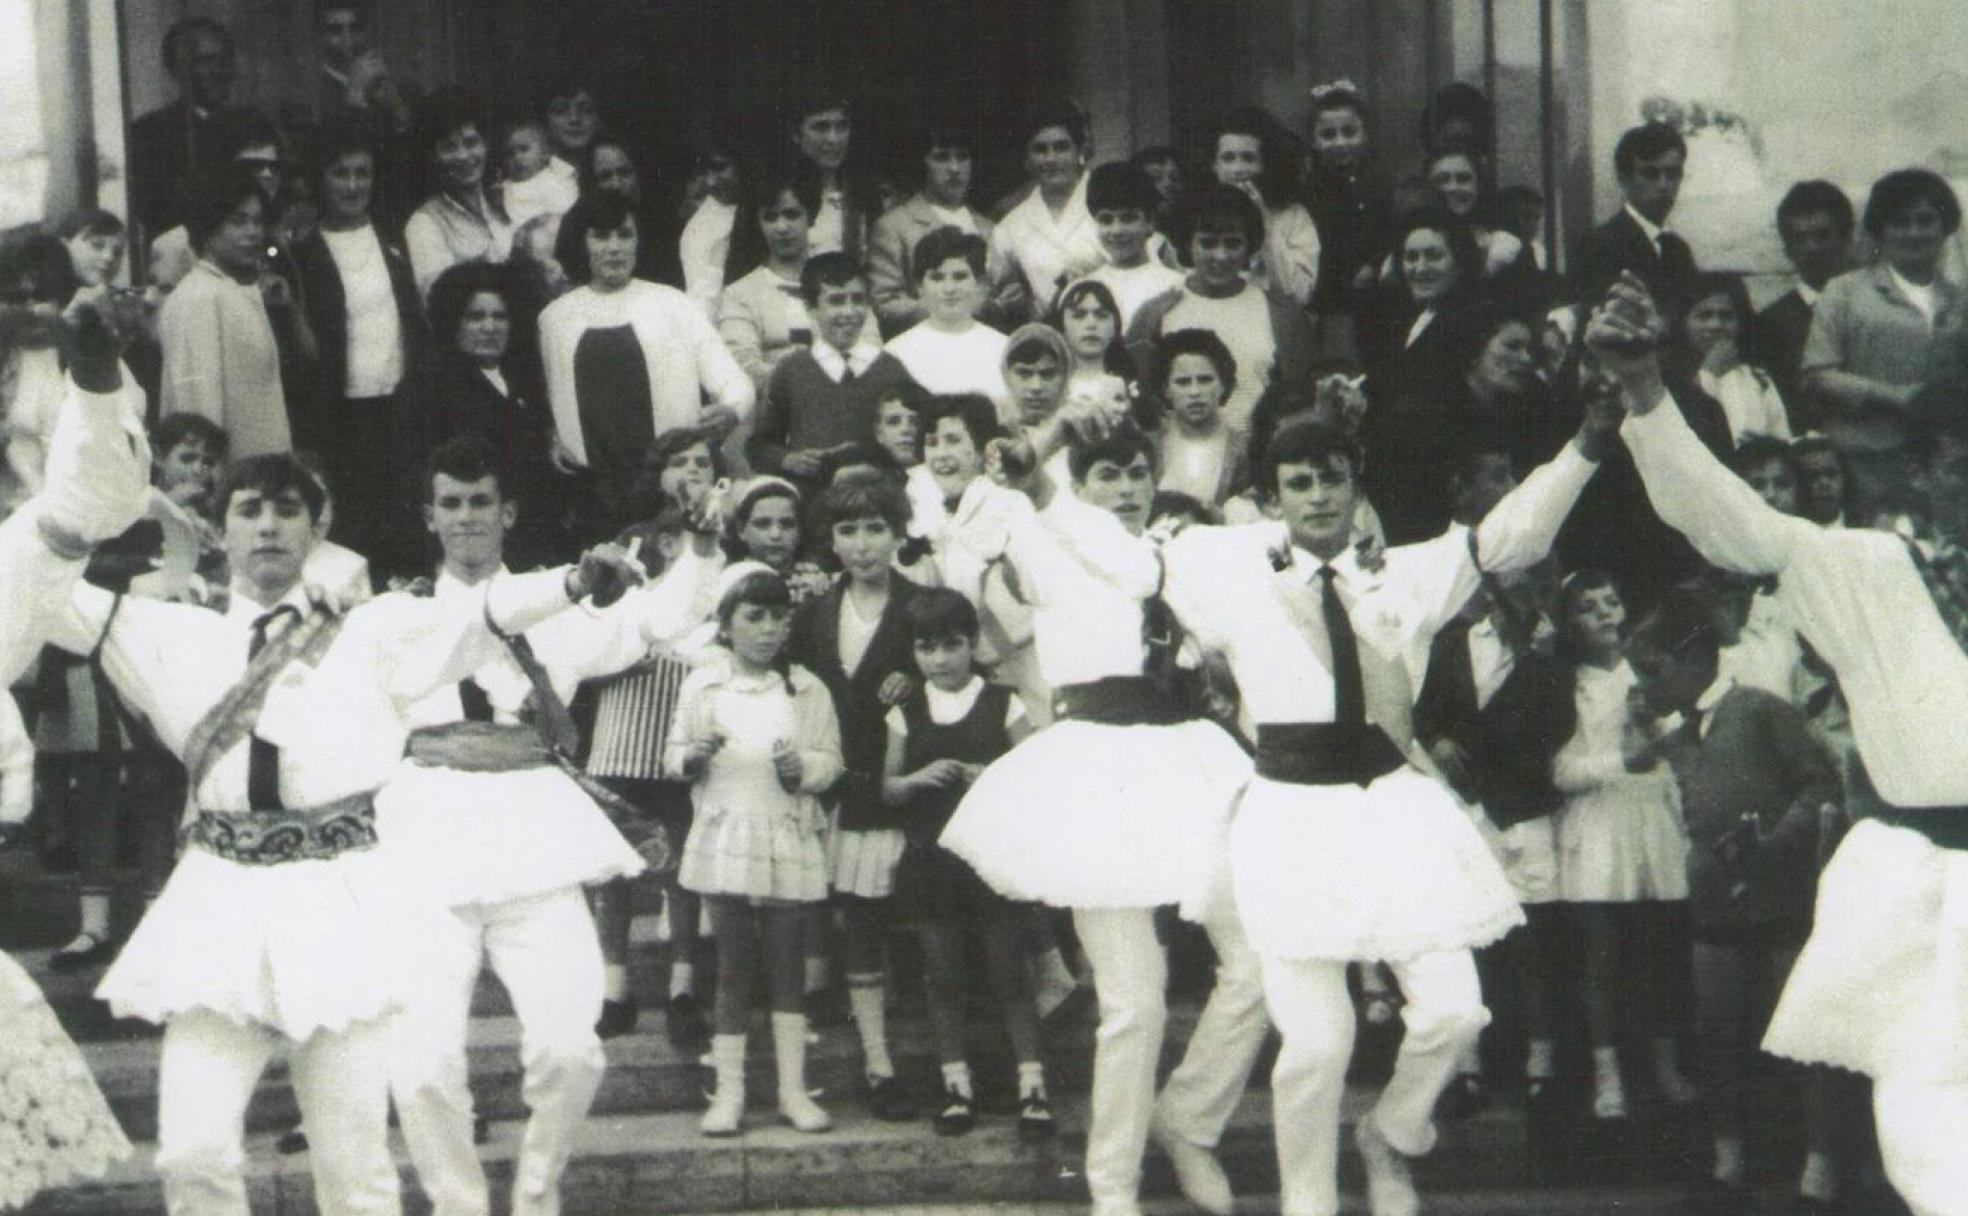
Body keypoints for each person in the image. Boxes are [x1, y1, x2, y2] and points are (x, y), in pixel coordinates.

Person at [33, 414, 637, 1215]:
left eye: (288, 510)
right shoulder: (164, 631)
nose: (269, 526)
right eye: (249, 510)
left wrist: (570, 583)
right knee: (192, 1150)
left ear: (318, 527)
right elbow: (40, 583)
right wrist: (74, 495)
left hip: (341, 902)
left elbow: (483, 615)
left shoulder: (373, 629)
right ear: (221, 530)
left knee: (356, 1173)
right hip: (221, 900)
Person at [1154, 387, 1614, 1216]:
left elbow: (1513, 533)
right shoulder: (1237, 576)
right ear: (1274, 495)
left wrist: (1586, 440)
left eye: (1333, 479)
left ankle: (1391, 1136)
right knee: (1319, 1043)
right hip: (1291, 819)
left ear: (1357, 484)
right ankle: (1309, 1204)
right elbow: (1154, 552)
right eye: (1299, 482)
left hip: (1394, 814)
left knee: (1455, 1010)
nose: (1319, 497)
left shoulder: (1407, 572)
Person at [1590, 272, 1968, 1216]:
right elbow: (1730, 519)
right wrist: (1645, 387)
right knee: (1926, 1122)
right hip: (1928, 883)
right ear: (1930, 467)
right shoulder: (1874, 566)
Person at [933, 412, 1263, 1216]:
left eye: (1135, 474)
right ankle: (1113, 1184)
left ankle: (1186, 1120)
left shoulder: (1172, 557)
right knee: (1136, 998)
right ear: (1078, 487)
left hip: (1188, 764)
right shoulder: (1047, 537)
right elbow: (963, 549)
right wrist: (1040, 455)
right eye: (1105, 475)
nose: (1124, 489)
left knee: (1259, 960)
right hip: (1095, 775)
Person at [382, 436, 717, 1216]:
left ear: (509, 512)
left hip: (532, 843)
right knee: (423, 1065)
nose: (467, 518)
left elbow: (659, 618)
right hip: (425, 848)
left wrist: (700, 545)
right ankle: (459, 1205)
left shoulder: (559, 603)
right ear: (429, 517)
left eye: (480, 502)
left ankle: (538, 1193)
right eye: (451, 504)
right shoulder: (397, 613)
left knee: (571, 1048)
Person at [1626, 587, 1842, 1214]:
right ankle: (1728, 1165)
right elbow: (1703, 796)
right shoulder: (1688, 730)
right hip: (1717, 908)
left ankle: (1819, 1174)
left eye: (1654, 670)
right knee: (1719, 1031)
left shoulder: (1761, 709)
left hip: (1780, 902)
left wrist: (1774, 845)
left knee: (1802, 1033)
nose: (1645, 685)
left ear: (1696, 660)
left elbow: (1820, 783)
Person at [670, 562, 843, 1137]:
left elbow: (829, 758)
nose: (768, 629)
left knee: (787, 966)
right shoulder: (703, 686)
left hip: (786, 834)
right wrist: (695, 754)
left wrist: (805, 770)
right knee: (734, 969)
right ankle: (730, 1093)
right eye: (754, 616)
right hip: (727, 836)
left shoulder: (807, 688)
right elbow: (675, 757)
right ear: (727, 624)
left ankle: (794, 1091)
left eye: (778, 616)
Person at [883, 586, 1050, 1137]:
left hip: (992, 860)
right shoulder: (906, 711)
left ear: (971, 643)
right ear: (914, 651)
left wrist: (989, 777)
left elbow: (1034, 776)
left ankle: (1032, 1087)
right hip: (935, 863)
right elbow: (889, 789)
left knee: (1010, 973)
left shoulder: (1004, 700)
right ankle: (956, 1087)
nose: (940, 659)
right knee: (945, 976)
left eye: (951, 645)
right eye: (927, 648)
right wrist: (916, 780)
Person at [586, 427, 728, 1041]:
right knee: (615, 867)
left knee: (680, 865)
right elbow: (594, 635)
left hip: (679, 725)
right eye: (679, 464)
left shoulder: (715, 548)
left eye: (702, 464)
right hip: (621, 726)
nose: (689, 475)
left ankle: (683, 986)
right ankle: (613, 988)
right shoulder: (625, 548)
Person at [788, 479, 923, 1122]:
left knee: (929, 920)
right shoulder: (813, 613)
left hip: (903, 789)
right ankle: (879, 1061)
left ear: (898, 533)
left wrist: (917, 681)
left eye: (875, 529)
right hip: (838, 792)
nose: (862, 545)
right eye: (847, 532)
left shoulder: (926, 605)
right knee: (860, 924)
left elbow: (964, 677)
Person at [1547, 568, 1697, 1120]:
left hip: (1653, 820)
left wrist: (1660, 732)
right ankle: (1607, 1077)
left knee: (1660, 957)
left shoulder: (1651, 674)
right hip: (1597, 824)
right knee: (1600, 961)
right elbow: (1560, 771)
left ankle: (1664, 1067)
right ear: (1569, 622)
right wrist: (1622, 762)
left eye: (1611, 600)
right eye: (1589, 607)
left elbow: (1683, 749)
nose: (1606, 612)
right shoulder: (1566, 684)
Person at [540, 192, 752, 523]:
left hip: (669, 486)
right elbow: (544, 396)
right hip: (590, 491)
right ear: (581, 242)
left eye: (625, 235)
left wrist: (731, 409)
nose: (614, 247)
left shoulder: (672, 303)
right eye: (601, 236)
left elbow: (732, 380)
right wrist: (550, 434)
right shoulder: (554, 319)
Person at [292, 123, 429, 573]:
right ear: (320, 179)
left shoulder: (393, 238)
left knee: (405, 522)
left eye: (362, 173)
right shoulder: (303, 252)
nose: (353, 185)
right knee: (354, 525)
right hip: (342, 416)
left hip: (400, 406)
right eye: (340, 173)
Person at [1801, 168, 1961, 518]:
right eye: (1900, 222)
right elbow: (1817, 374)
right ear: (1880, 230)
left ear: (1945, 227)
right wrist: (1893, 396)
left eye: (1925, 220)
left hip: (1946, 467)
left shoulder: (1959, 299)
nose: (1914, 232)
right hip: (1867, 463)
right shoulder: (1844, 292)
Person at [1127, 183, 1318, 434]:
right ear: (1187, 244)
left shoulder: (1280, 313)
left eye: (1232, 243)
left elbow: (1298, 407)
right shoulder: (1157, 313)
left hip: (1254, 460)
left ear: (1249, 245)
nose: (1221, 256)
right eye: (1208, 243)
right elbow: (1143, 408)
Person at [747, 253, 919, 493]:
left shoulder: (890, 369)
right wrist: (787, 460)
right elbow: (759, 447)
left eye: (858, 300)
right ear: (811, 308)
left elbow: (916, 440)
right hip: (813, 503)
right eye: (836, 301)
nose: (849, 312)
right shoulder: (791, 370)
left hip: (877, 501)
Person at [158, 168, 295, 459]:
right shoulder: (199, 297)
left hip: (259, 469)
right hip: (228, 478)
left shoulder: (231, 290)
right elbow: (197, 402)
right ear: (209, 228)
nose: (252, 232)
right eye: (238, 221)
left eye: (258, 221)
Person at [718, 159, 856, 395]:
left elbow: (869, 344)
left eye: (791, 214)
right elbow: (742, 363)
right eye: (770, 217)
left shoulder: (843, 277)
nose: (781, 227)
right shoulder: (739, 294)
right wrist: (807, 385)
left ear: (810, 216)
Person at [869, 119, 1002, 336]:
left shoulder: (989, 226)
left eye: (962, 157)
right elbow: (885, 301)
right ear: (922, 163)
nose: (954, 168)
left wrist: (992, 307)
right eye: (941, 157)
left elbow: (1011, 293)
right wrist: (951, 310)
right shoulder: (894, 226)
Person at [129, 17, 245, 242]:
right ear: (176, 70)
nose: (220, 71)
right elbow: (155, 215)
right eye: (205, 61)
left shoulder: (254, 125)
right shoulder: (149, 134)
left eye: (226, 60)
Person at [990, 99, 1104, 317]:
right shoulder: (1012, 225)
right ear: (1027, 159)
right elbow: (1004, 293)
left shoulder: (1110, 201)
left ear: (1079, 150)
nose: (1051, 158)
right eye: (1040, 149)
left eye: (1061, 147)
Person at [1572, 122, 1699, 316]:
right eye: (1650, 174)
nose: (1664, 185)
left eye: (1673, 174)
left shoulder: (1678, 248)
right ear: (1624, 178)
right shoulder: (1599, 245)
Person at [885, 227, 1011, 417]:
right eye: (937, 278)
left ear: (979, 282)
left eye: (960, 277)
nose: (949, 288)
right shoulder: (896, 353)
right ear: (919, 286)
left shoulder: (1005, 349)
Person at [1753, 181, 1855, 414]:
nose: (1811, 248)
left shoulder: (1875, 304)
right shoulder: (1769, 324)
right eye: (1800, 238)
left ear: (1847, 239)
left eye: (1822, 236)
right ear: (1787, 249)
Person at [404, 89, 514, 300]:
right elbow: (436, 304)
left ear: (486, 145)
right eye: (449, 147)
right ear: (433, 157)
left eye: (471, 142)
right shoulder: (424, 224)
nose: (463, 156)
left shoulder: (504, 198)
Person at [1205, 108, 1320, 307]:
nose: (1238, 169)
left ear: (1266, 164)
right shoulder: (1196, 214)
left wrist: (1263, 222)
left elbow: (1297, 294)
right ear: (1214, 166)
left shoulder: (1293, 216)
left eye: (1248, 158)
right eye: (1228, 158)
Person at [1302, 81, 1388, 327]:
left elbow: (1391, 232)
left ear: (1366, 134)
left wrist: (1375, 264)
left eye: (1350, 132)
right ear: (1313, 141)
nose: (1340, 143)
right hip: (1327, 305)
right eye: (1328, 135)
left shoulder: (1380, 184)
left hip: (1376, 300)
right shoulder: (1309, 191)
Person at [1683, 272, 1792, 444]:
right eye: (1704, 316)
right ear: (1684, 321)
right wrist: (1709, 372)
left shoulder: (1758, 378)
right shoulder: (1669, 378)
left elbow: (1781, 438)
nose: (1716, 325)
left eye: (1726, 316)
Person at [563, 134, 684, 288]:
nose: (616, 184)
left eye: (625, 173)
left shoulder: (664, 221)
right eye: (605, 176)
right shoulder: (575, 224)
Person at [1079, 162, 1186, 331]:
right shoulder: (1084, 288)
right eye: (1106, 220)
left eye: (1128, 218)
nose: (1116, 230)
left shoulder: (1175, 286)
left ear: (1150, 223)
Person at [1150, 328, 1245, 508]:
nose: (1195, 392)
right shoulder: (1149, 446)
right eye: (1183, 382)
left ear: (1223, 384)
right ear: (1166, 390)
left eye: (1205, 380)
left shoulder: (1244, 451)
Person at [678, 126, 742, 314]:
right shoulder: (700, 230)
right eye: (705, 172)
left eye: (720, 168)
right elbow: (701, 309)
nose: (711, 182)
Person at [501, 118, 580, 230]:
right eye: (509, 154)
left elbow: (567, 204)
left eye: (524, 149)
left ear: (545, 153)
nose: (517, 158)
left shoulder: (556, 177)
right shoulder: (507, 187)